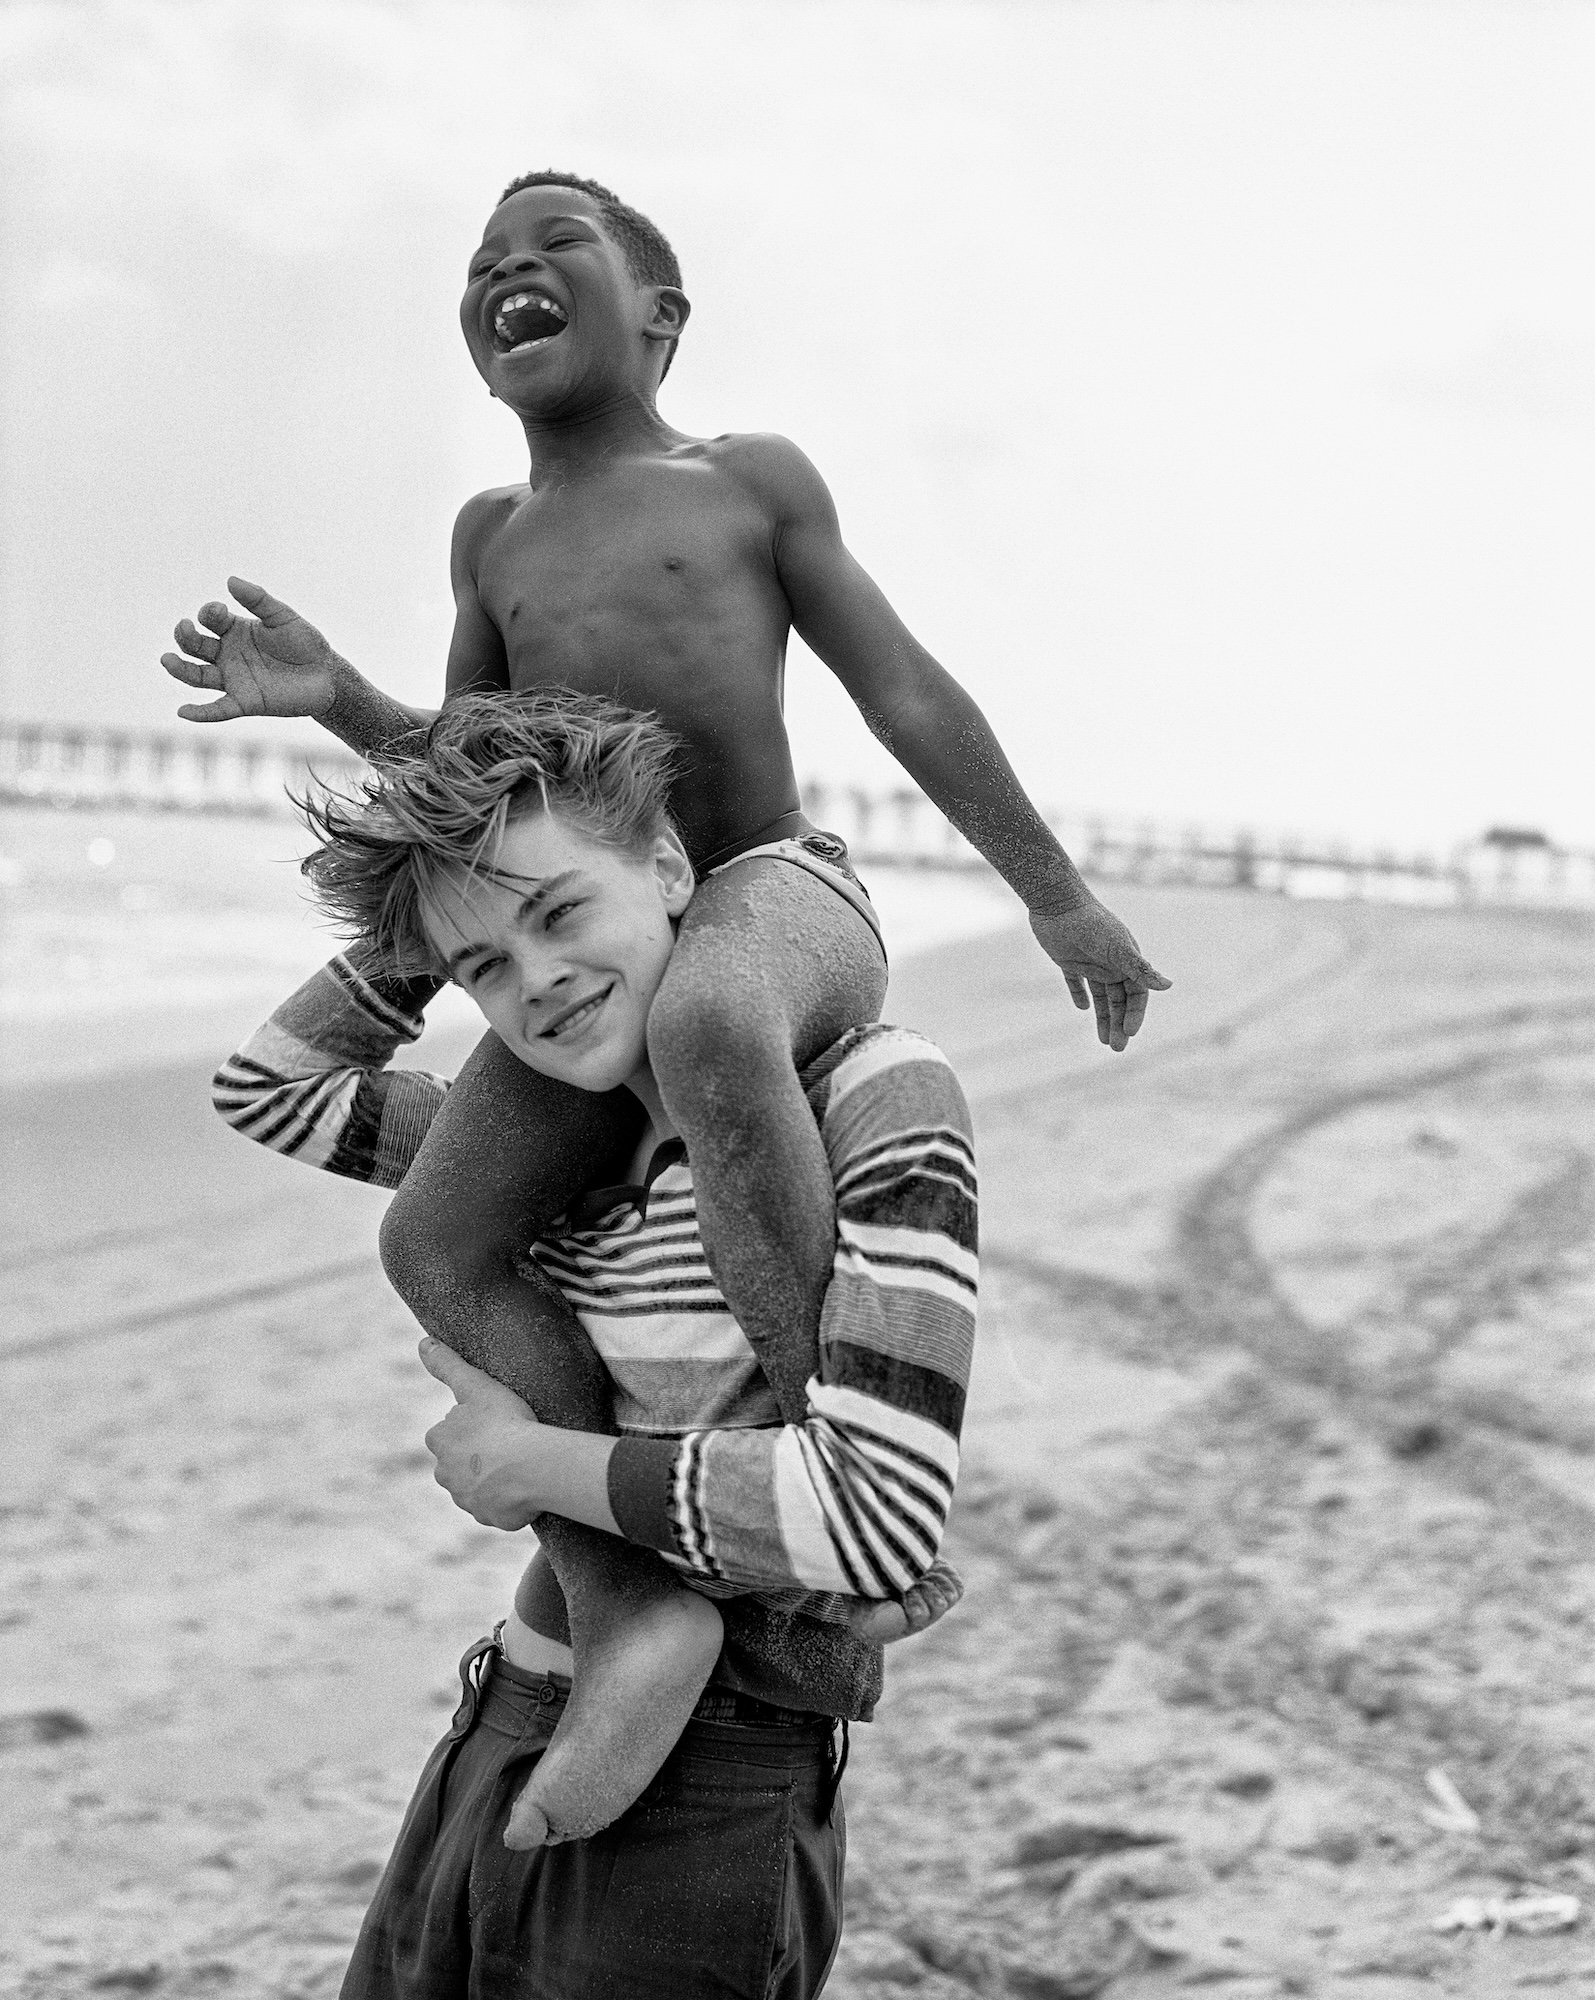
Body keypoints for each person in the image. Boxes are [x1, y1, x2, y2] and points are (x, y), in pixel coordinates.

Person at [166, 167, 1164, 1833]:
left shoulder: (750, 481)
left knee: (709, 1022)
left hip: (772, 895)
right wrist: (340, 700)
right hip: (596, 954)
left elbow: (901, 683)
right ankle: (630, 1600)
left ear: (664, 316)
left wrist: (1053, 888)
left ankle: (820, 1466)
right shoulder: (490, 534)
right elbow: (479, 785)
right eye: (479, 265)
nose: (504, 272)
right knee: (434, 1242)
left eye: (552, 246)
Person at [214, 691, 977, 1996]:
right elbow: (270, 1088)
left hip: (720, 1763)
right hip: (513, 1703)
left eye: (565, 913)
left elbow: (878, 1523)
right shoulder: (534, 1149)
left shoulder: (873, 1094)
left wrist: (529, 1467)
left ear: (675, 868)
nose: (541, 983)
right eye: (485, 971)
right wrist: (440, 903)